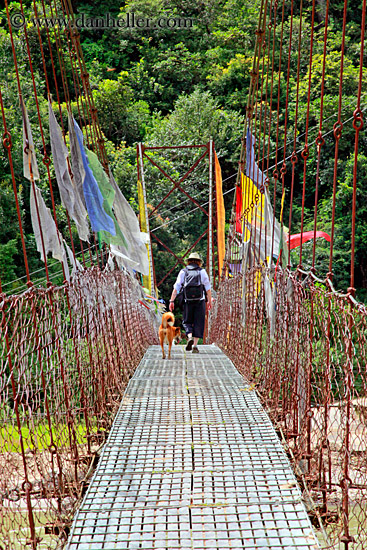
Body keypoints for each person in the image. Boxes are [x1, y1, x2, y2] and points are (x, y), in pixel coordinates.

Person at [169, 252, 212, 354]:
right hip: (200, 300)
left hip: (187, 301)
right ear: (199, 262)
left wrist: (171, 301)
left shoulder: (183, 272)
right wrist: (209, 301)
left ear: (188, 261)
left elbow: (176, 287)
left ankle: (189, 337)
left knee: (187, 321)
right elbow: (208, 288)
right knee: (199, 322)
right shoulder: (202, 272)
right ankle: (195, 346)